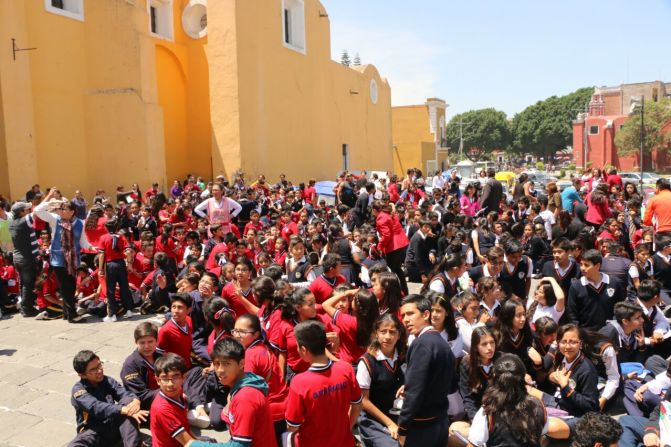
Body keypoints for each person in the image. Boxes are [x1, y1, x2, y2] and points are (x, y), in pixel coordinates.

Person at [285, 320, 363, 447]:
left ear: (303, 350)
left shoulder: (299, 382)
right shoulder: (346, 368)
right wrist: (346, 428)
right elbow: (357, 405)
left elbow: (292, 426)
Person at [191, 338, 277, 447]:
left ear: (241, 363)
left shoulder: (245, 397)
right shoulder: (242, 384)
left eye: (227, 364)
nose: (220, 370)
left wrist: (196, 445)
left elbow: (239, 445)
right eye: (217, 364)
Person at [398, 294, 454, 447]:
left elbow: (414, 392)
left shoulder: (422, 344)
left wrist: (402, 428)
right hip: (440, 422)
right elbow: (449, 384)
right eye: (403, 315)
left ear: (426, 314)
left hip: (422, 427)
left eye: (410, 313)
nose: (405, 319)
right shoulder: (441, 343)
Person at [34, 188, 92, 323]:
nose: (60, 211)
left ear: (72, 211)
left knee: (71, 287)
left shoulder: (80, 223)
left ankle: (67, 312)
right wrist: (50, 198)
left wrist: (90, 247)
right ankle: (73, 316)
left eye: (64, 209)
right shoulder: (55, 220)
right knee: (66, 287)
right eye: (60, 209)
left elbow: (82, 241)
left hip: (73, 260)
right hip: (58, 260)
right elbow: (37, 210)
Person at [69, 350, 147, 447]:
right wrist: (123, 409)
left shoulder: (107, 380)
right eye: (93, 370)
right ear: (82, 375)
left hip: (114, 426)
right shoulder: (78, 391)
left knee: (128, 402)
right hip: (94, 431)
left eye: (99, 365)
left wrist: (135, 400)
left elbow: (124, 393)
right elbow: (96, 407)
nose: (100, 370)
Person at [467, 354, 548, 447]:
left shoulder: (488, 412)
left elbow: (473, 444)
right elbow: (543, 434)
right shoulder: (539, 405)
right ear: (523, 378)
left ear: (494, 376)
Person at [356, 314, 407, 446]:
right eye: (383, 331)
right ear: (376, 333)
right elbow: (363, 401)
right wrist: (389, 423)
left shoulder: (404, 355)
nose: (388, 337)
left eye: (392, 332)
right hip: (374, 419)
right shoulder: (367, 362)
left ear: (399, 334)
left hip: (401, 414)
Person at [567, 249, 626, 331]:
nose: (582, 268)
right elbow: (572, 313)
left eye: (586, 265)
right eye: (581, 264)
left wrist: (614, 327)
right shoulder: (576, 286)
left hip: (609, 333)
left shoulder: (614, 283)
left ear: (597, 266)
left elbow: (620, 308)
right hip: (586, 334)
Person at [98, 217, 137, 322]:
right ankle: (129, 310)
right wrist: (129, 265)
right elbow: (128, 251)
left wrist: (100, 268)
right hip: (121, 264)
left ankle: (112, 315)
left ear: (106, 228)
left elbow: (101, 254)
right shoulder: (121, 237)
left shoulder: (103, 238)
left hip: (110, 265)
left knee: (111, 290)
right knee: (124, 287)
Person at [8, 201, 41, 317]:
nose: (28, 211)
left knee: (23, 283)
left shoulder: (13, 223)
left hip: (18, 258)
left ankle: (24, 306)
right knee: (28, 284)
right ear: (21, 212)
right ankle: (27, 309)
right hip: (26, 259)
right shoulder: (22, 222)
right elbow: (37, 211)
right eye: (26, 210)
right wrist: (50, 196)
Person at [372, 201, 410, 295]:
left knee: (391, 271)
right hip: (402, 243)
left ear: (374, 210)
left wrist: (380, 246)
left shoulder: (381, 218)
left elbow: (386, 235)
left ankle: (395, 293)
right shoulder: (389, 214)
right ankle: (404, 291)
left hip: (394, 246)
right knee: (397, 269)